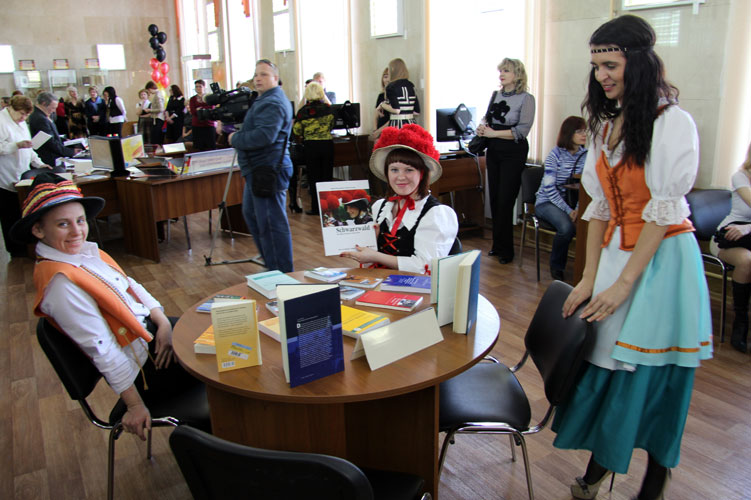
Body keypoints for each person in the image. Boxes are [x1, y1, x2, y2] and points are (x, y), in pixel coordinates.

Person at [553, 15, 712, 500]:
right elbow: (599, 209)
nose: (602, 75)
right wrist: (589, 277)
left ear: (638, 63)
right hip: (617, 253)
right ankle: (605, 461)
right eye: (597, 65)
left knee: (651, 373)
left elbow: (663, 212)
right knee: (604, 360)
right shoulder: (605, 124)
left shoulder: (672, 122)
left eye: (611, 64)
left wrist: (624, 284)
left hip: (663, 260)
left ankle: (655, 476)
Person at [9, 172, 208, 439]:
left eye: (80, 220)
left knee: (212, 335)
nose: (77, 231)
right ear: (38, 230)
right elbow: (101, 347)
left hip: (150, 334)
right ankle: (222, 442)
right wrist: (135, 405)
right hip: (145, 366)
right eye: (63, 224)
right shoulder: (60, 283)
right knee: (217, 366)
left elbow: (131, 286)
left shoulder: (83, 253)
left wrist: (162, 323)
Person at [340, 124, 458, 273]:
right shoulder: (379, 207)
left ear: (422, 174)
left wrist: (375, 256)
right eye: (394, 170)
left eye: (409, 170)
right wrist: (371, 242)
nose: (401, 177)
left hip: (415, 285)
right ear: (387, 172)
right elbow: (368, 259)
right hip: (379, 280)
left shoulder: (437, 214)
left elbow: (425, 267)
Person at [229, 59, 294, 273]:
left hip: (268, 169)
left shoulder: (273, 102)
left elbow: (265, 136)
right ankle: (273, 267)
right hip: (260, 170)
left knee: (271, 224)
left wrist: (235, 138)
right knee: (254, 216)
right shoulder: (266, 99)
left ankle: (281, 274)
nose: (258, 78)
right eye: (256, 74)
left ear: (275, 78)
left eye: (264, 74)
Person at [476, 58, 535, 264]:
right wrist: (483, 128)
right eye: (500, 70)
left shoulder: (526, 99)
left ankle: (507, 250)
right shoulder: (496, 95)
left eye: (506, 71)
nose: (501, 74)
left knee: (505, 200)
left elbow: (522, 131)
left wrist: (494, 133)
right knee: (495, 199)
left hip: (513, 151)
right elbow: (487, 118)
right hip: (494, 149)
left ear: (517, 75)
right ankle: (497, 245)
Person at [534, 116, 588, 281]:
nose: (584, 134)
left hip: (571, 204)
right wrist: (569, 210)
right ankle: (557, 266)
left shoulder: (586, 155)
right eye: (579, 131)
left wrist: (578, 208)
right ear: (569, 133)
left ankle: (585, 272)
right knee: (566, 228)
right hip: (547, 202)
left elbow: (585, 187)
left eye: (585, 131)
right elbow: (549, 188)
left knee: (587, 227)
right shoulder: (555, 154)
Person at [710, 142, 751, 353]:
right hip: (729, 236)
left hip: (747, 234)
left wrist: (749, 228)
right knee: (747, 261)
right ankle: (740, 323)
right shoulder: (740, 176)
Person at [0, 95, 51, 257]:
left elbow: (30, 147)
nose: (23, 118)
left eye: (26, 115)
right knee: (9, 214)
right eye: (21, 114)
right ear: (11, 109)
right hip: (5, 174)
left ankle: (26, 246)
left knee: (22, 212)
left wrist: (39, 164)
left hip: (22, 173)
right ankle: (15, 249)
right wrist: (16, 145)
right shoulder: (2, 121)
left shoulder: (22, 123)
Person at [292, 81, 334, 216]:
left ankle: (316, 208)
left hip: (311, 147)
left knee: (314, 178)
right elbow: (332, 125)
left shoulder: (303, 111)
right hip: (327, 145)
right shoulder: (328, 109)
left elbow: (297, 130)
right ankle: (328, 209)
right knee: (327, 177)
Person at [28, 91, 79, 167]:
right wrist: (71, 152)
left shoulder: (42, 114)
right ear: (44, 104)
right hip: (49, 157)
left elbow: (51, 135)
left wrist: (64, 140)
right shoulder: (40, 118)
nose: (54, 111)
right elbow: (50, 142)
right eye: (53, 108)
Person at [378, 58, 420, 129]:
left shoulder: (391, 86)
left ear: (393, 70)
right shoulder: (411, 85)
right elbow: (416, 112)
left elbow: (396, 110)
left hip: (396, 125)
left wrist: (382, 105)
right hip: (411, 124)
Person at [189, 80, 216, 151]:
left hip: (208, 124)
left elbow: (211, 108)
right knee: (198, 146)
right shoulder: (193, 99)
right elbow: (193, 111)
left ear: (204, 87)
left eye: (200, 86)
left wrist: (200, 109)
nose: (198, 88)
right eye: (196, 87)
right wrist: (202, 110)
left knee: (211, 145)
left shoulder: (209, 97)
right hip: (197, 124)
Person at [370, 67, 390, 141]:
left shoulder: (395, 96)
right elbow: (376, 114)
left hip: (390, 130)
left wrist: (379, 131)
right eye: (385, 77)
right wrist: (375, 131)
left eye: (389, 77)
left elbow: (394, 118)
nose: (387, 80)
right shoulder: (381, 96)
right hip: (379, 131)